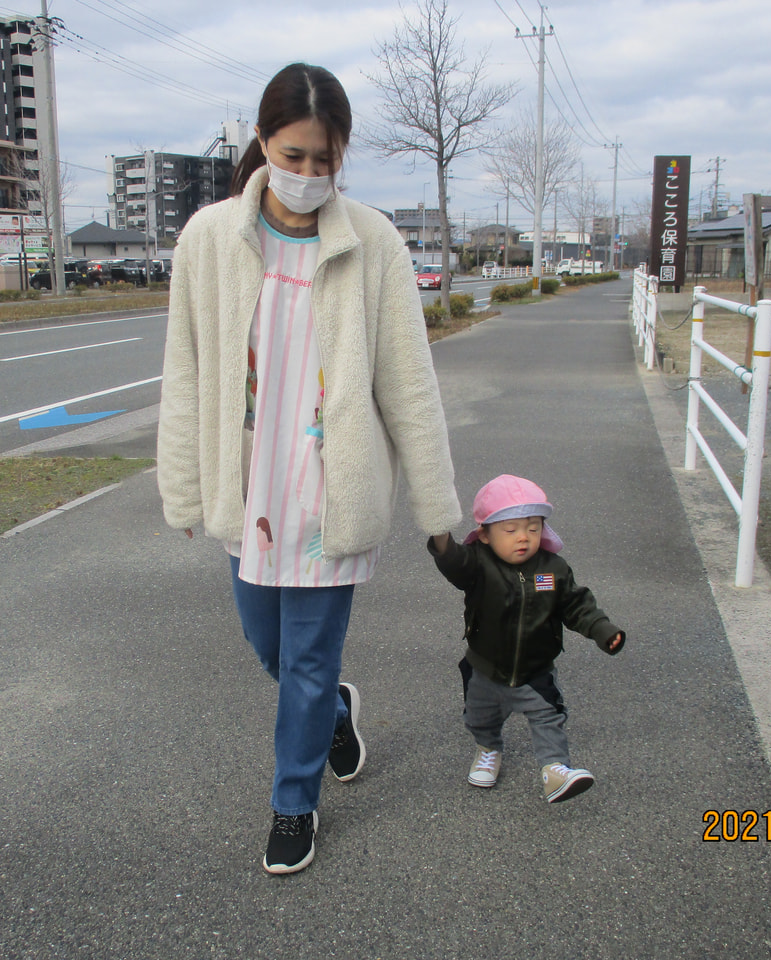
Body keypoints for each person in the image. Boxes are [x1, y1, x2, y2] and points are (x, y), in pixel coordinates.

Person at [157, 62, 461, 875]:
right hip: (250, 485)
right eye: (293, 155)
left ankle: (294, 803)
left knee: (309, 659)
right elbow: (186, 371)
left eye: (324, 159)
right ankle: (330, 715)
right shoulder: (210, 238)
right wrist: (183, 487)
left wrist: (438, 512)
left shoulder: (374, 241)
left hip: (335, 490)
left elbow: (409, 383)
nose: (307, 174)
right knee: (270, 648)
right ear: (261, 142)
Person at [427, 474, 625, 803]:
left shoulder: (553, 568)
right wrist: (439, 529)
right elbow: (451, 559)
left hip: (536, 670)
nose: (524, 537)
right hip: (485, 669)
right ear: (485, 535)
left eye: (533, 529)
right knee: (479, 718)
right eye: (511, 530)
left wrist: (603, 630)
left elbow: (577, 605)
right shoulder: (477, 564)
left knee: (549, 716)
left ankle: (555, 769)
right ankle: (488, 749)